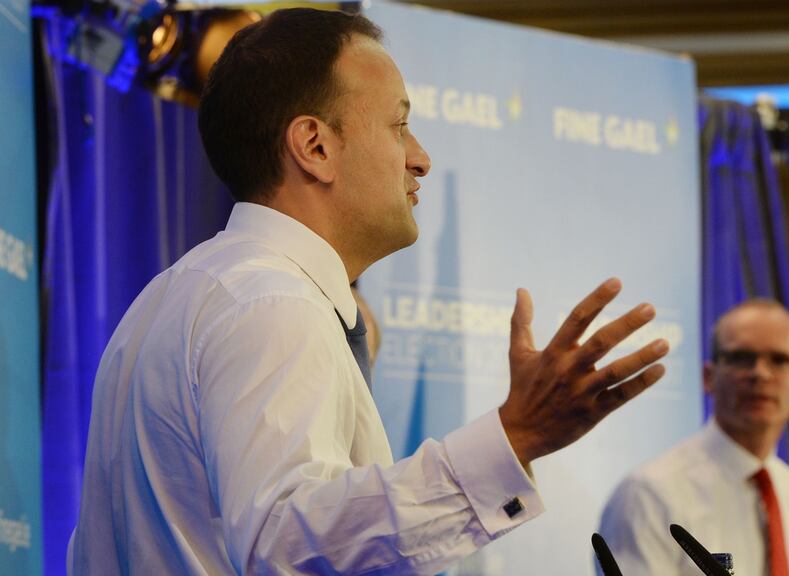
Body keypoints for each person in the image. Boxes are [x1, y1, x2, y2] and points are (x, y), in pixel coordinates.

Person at [67, 8, 671, 575]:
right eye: (399, 126)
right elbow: (283, 542)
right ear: (315, 147)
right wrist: (517, 437)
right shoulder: (272, 304)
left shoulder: (182, 292)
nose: (421, 158)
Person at [599, 299, 789, 576]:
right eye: (741, 358)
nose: (760, 373)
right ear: (708, 376)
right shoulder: (648, 494)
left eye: (780, 360)